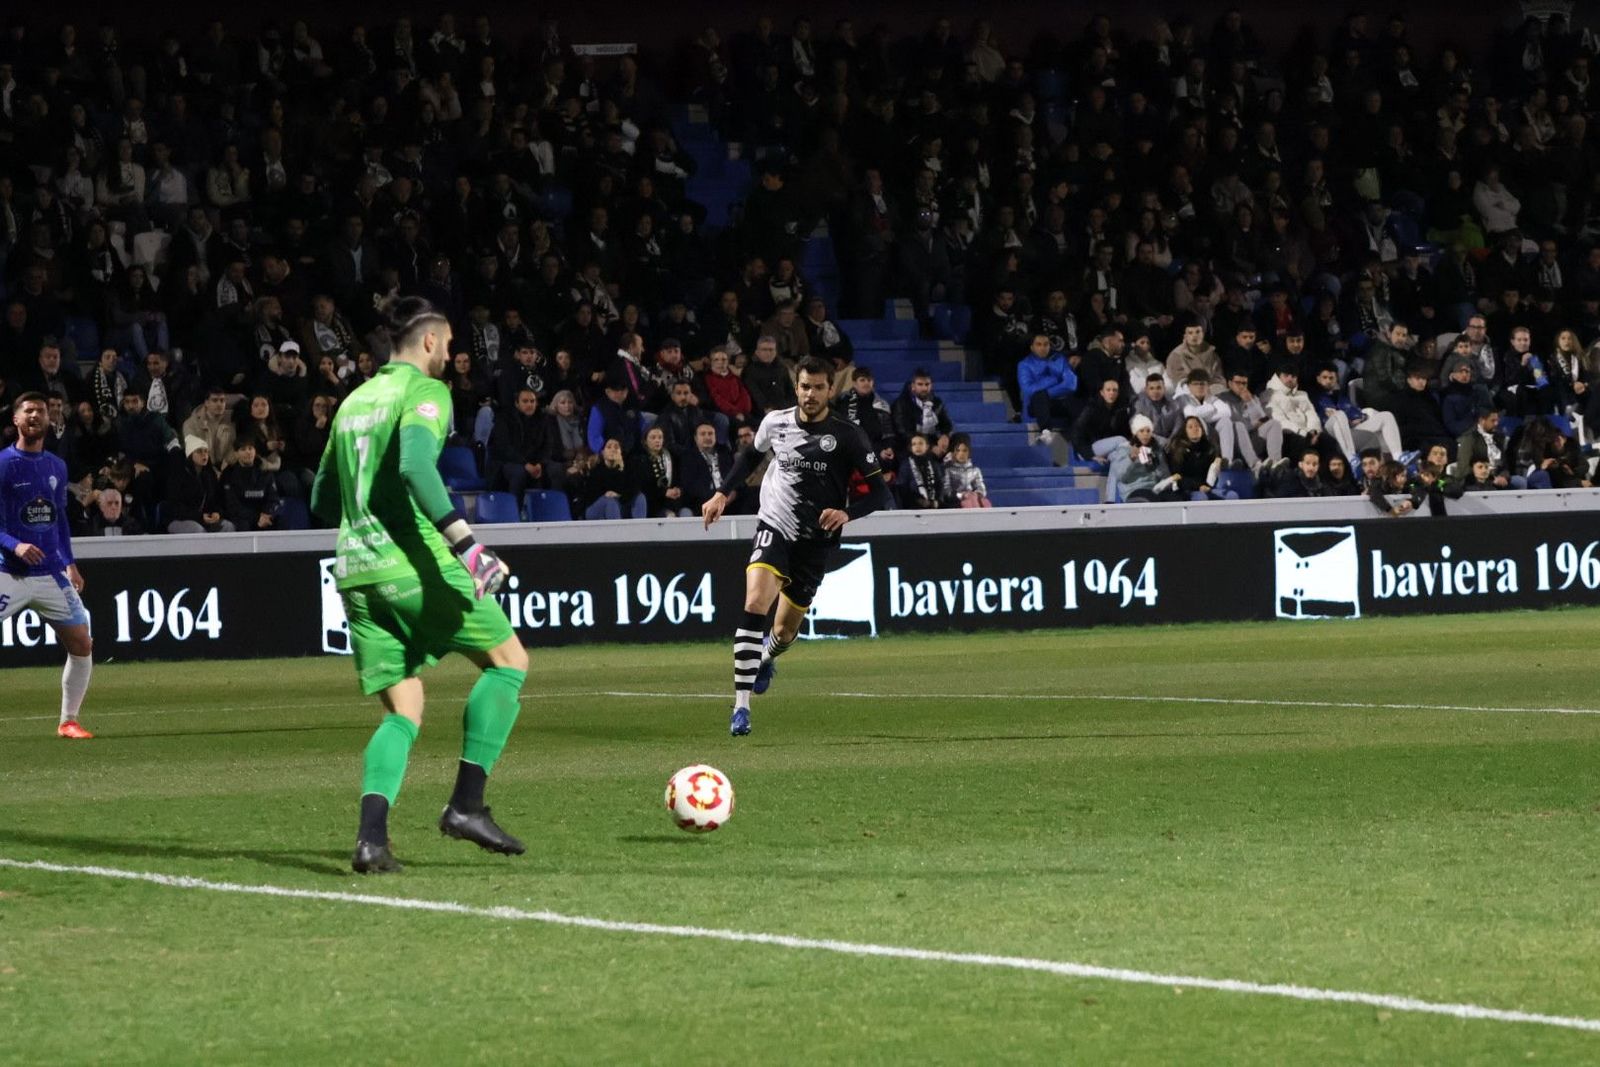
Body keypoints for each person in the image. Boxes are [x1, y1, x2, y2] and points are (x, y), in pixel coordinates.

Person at [309, 295, 529, 875]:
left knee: (404, 710)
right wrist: (468, 546)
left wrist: (365, 509)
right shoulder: (426, 392)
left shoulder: (353, 400)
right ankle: (466, 804)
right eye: (450, 344)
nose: (452, 355)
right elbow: (414, 466)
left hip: (355, 574)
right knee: (508, 661)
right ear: (430, 341)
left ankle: (371, 842)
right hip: (412, 565)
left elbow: (321, 498)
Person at [701, 356, 890, 736]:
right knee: (755, 602)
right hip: (775, 526)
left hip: (815, 541)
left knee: (785, 632)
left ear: (830, 390)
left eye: (818, 387)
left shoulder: (848, 434)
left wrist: (846, 514)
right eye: (805, 386)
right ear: (797, 387)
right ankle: (741, 708)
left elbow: (881, 493)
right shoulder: (776, 423)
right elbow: (750, 456)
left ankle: (767, 658)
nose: (810, 394)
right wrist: (723, 493)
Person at [0, 393, 95, 739]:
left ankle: (68, 721)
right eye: (28, 411)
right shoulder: (4, 464)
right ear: (16, 420)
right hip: (8, 573)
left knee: (82, 643)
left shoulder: (56, 465)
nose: (36, 415)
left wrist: (70, 563)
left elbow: (60, 520)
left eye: (41, 410)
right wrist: (15, 545)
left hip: (51, 575)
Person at [942, 433, 990, 507]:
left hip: (973, 500)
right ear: (953, 452)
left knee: (980, 502)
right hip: (954, 503)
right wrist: (961, 495)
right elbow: (946, 491)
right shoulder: (948, 470)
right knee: (967, 502)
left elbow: (981, 487)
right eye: (958, 450)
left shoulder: (975, 470)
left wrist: (976, 494)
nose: (961, 454)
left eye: (964, 450)